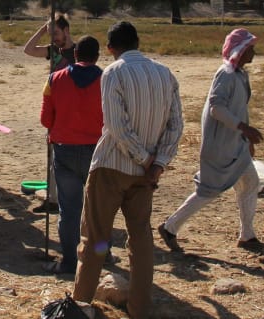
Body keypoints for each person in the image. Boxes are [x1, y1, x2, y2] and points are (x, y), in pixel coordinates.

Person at [72, 21, 183, 318]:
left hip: (111, 166)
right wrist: (158, 162)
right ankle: (139, 309)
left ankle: (81, 306)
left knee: (94, 239)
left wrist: (145, 158)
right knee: (141, 242)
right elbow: (176, 126)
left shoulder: (114, 72)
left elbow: (116, 127)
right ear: (137, 42)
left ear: (110, 49)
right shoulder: (165, 74)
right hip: (145, 176)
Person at [158, 28, 264, 254]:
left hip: (236, 145)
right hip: (220, 146)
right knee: (209, 191)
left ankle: (247, 235)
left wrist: (246, 138)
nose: (254, 52)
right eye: (250, 48)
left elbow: (239, 109)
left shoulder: (239, 75)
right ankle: (170, 227)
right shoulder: (225, 74)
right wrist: (243, 128)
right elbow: (217, 107)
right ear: (240, 50)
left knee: (250, 182)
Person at [39, 36, 103, 274]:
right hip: (96, 152)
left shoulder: (54, 79)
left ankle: (69, 261)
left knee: (69, 209)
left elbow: (45, 119)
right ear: (97, 56)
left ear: (75, 55)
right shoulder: (106, 79)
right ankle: (97, 258)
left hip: (64, 149)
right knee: (96, 209)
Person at [24, 14, 76, 213]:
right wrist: (42, 30)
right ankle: (53, 200)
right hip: (55, 108)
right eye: (50, 33)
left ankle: (68, 198)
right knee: (52, 155)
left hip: (72, 109)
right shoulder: (53, 50)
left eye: (55, 32)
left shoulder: (78, 51)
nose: (52, 37)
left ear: (66, 30)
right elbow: (28, 50)